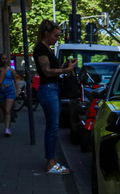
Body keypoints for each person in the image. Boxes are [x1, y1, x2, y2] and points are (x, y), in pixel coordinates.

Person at [33, 19, 77, 174]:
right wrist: (65, 70)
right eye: (56, 35)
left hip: (52, 89)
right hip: (48, 90)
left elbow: (50, 69)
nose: (58, 38)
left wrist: (63, 66)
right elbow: (46, 72)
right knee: (52, 127)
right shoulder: (41, 49)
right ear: (47, 34)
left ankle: (52, 161)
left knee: (53, 126)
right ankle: (51, 164)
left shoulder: (47, 49)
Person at [0, 53, 19, 137]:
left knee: (7, 110)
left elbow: (16, 81)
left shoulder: (11, 70)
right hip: (1, 91)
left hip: (10, 90)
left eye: (6, 58)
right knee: (4, 111)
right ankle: (8, 124)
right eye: (2, 58)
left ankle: (7, 129)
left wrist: (17, 91)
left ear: (8, 60)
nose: (4, 60)